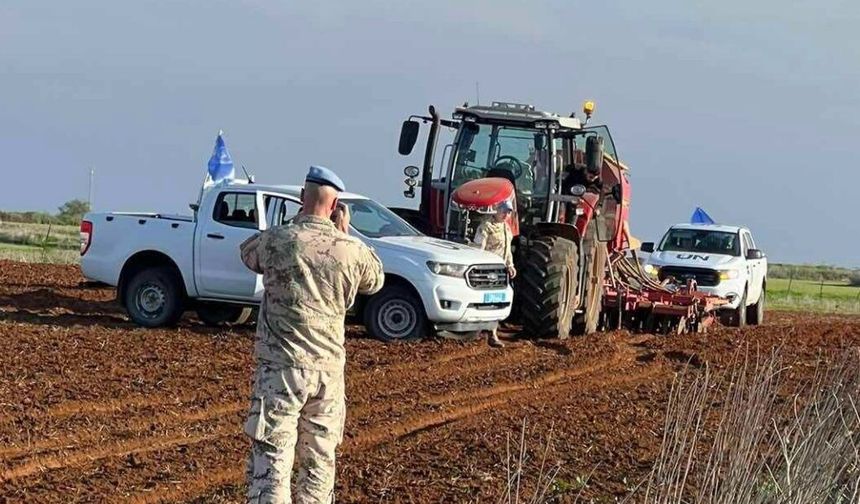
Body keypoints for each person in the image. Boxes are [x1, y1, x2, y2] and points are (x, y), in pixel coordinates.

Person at [240, 165, 385, 503]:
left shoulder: (278, 239)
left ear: (302, 198)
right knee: (319, 463)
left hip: (281, 369)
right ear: (336, 208)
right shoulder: (350, 249)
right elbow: (375, 279)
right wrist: (346, 234)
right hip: (328, 373)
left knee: (272, 460)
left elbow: (248, 254)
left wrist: (295, 223)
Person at [472, 200, 516, 348]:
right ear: (496, 210)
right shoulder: (486, 227)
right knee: (483, 300)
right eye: (503, 211)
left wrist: (510, 265)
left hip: (501, 270)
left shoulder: (507, 228)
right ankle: (476, 333)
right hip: (488, 270)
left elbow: (507, 250)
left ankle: (492, 334)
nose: (506, 214)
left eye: (509, 212)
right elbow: (479, 249)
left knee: (496, 301)